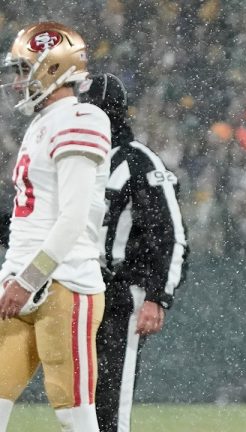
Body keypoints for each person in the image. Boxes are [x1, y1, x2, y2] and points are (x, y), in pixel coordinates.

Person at [0, 22, 111, 431]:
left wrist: (26, 280)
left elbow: (73, 218)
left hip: (65, 283)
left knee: (74, 414)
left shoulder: (83, 117)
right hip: (19, 281)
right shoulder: (42, 123)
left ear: (50, 68)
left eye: (22, 70)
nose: (15, 83)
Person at [78, 73, 188, 432]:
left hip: (118, 291)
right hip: (74, 285)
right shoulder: (74, 156)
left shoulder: (139, 163)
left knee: (110, 401)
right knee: (76, 398)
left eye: (85, 111)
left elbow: (169, 235)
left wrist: (158, 296)